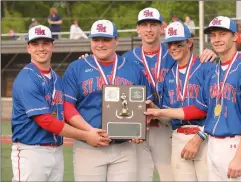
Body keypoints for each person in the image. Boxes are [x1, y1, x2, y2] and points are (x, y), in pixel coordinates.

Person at [145, 16, 241, 181]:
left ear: (235, 36)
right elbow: (201, 109)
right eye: (213, 35)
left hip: (233, 141)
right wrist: (158, 112)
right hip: (212, 144)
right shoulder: (215, 71)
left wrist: (240, 155)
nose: (217, 39)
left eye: (222, 34)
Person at [123, 7, 217, 181]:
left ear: (162, 28)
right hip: (139, 124)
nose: (149, 29)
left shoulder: (173, 53)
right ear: (138, 29)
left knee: (171, 176)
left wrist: (211, 53)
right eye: (144, 25)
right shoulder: (127, 58)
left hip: (167, 126)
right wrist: (86, 59)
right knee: (139, 176)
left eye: (153, 24)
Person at [11, 25, 108, 182]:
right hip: (31, 151)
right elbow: (46, 121)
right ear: (28, 48)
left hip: (56, 150)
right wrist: (86, 135)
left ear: (53, 46)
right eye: (35, 44)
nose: (41, 48)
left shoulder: (56, 77)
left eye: (45, 43)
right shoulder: (26, 79)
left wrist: (84, 64)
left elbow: (66, 108)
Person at [62, 19, 151, 181]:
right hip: (88, 146)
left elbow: (146, 106)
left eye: (106, 39)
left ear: (116, 40)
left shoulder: (133, 68)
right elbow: (67, 107)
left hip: (125, 148)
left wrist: (140, 127)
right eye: (96, 39)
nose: (100, 44)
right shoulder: (77, 67)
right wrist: (89, 132)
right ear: (90, 41)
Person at [161, 21, 215, 181]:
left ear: (189, 42)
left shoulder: (207, 67)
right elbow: (167, 116)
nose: (173, 48)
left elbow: (216, 110)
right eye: (170, 44)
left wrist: (200, 136)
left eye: (178, 43)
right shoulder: (169, 75)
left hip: (204, 137)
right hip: (178, 137)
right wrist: (151, 111)